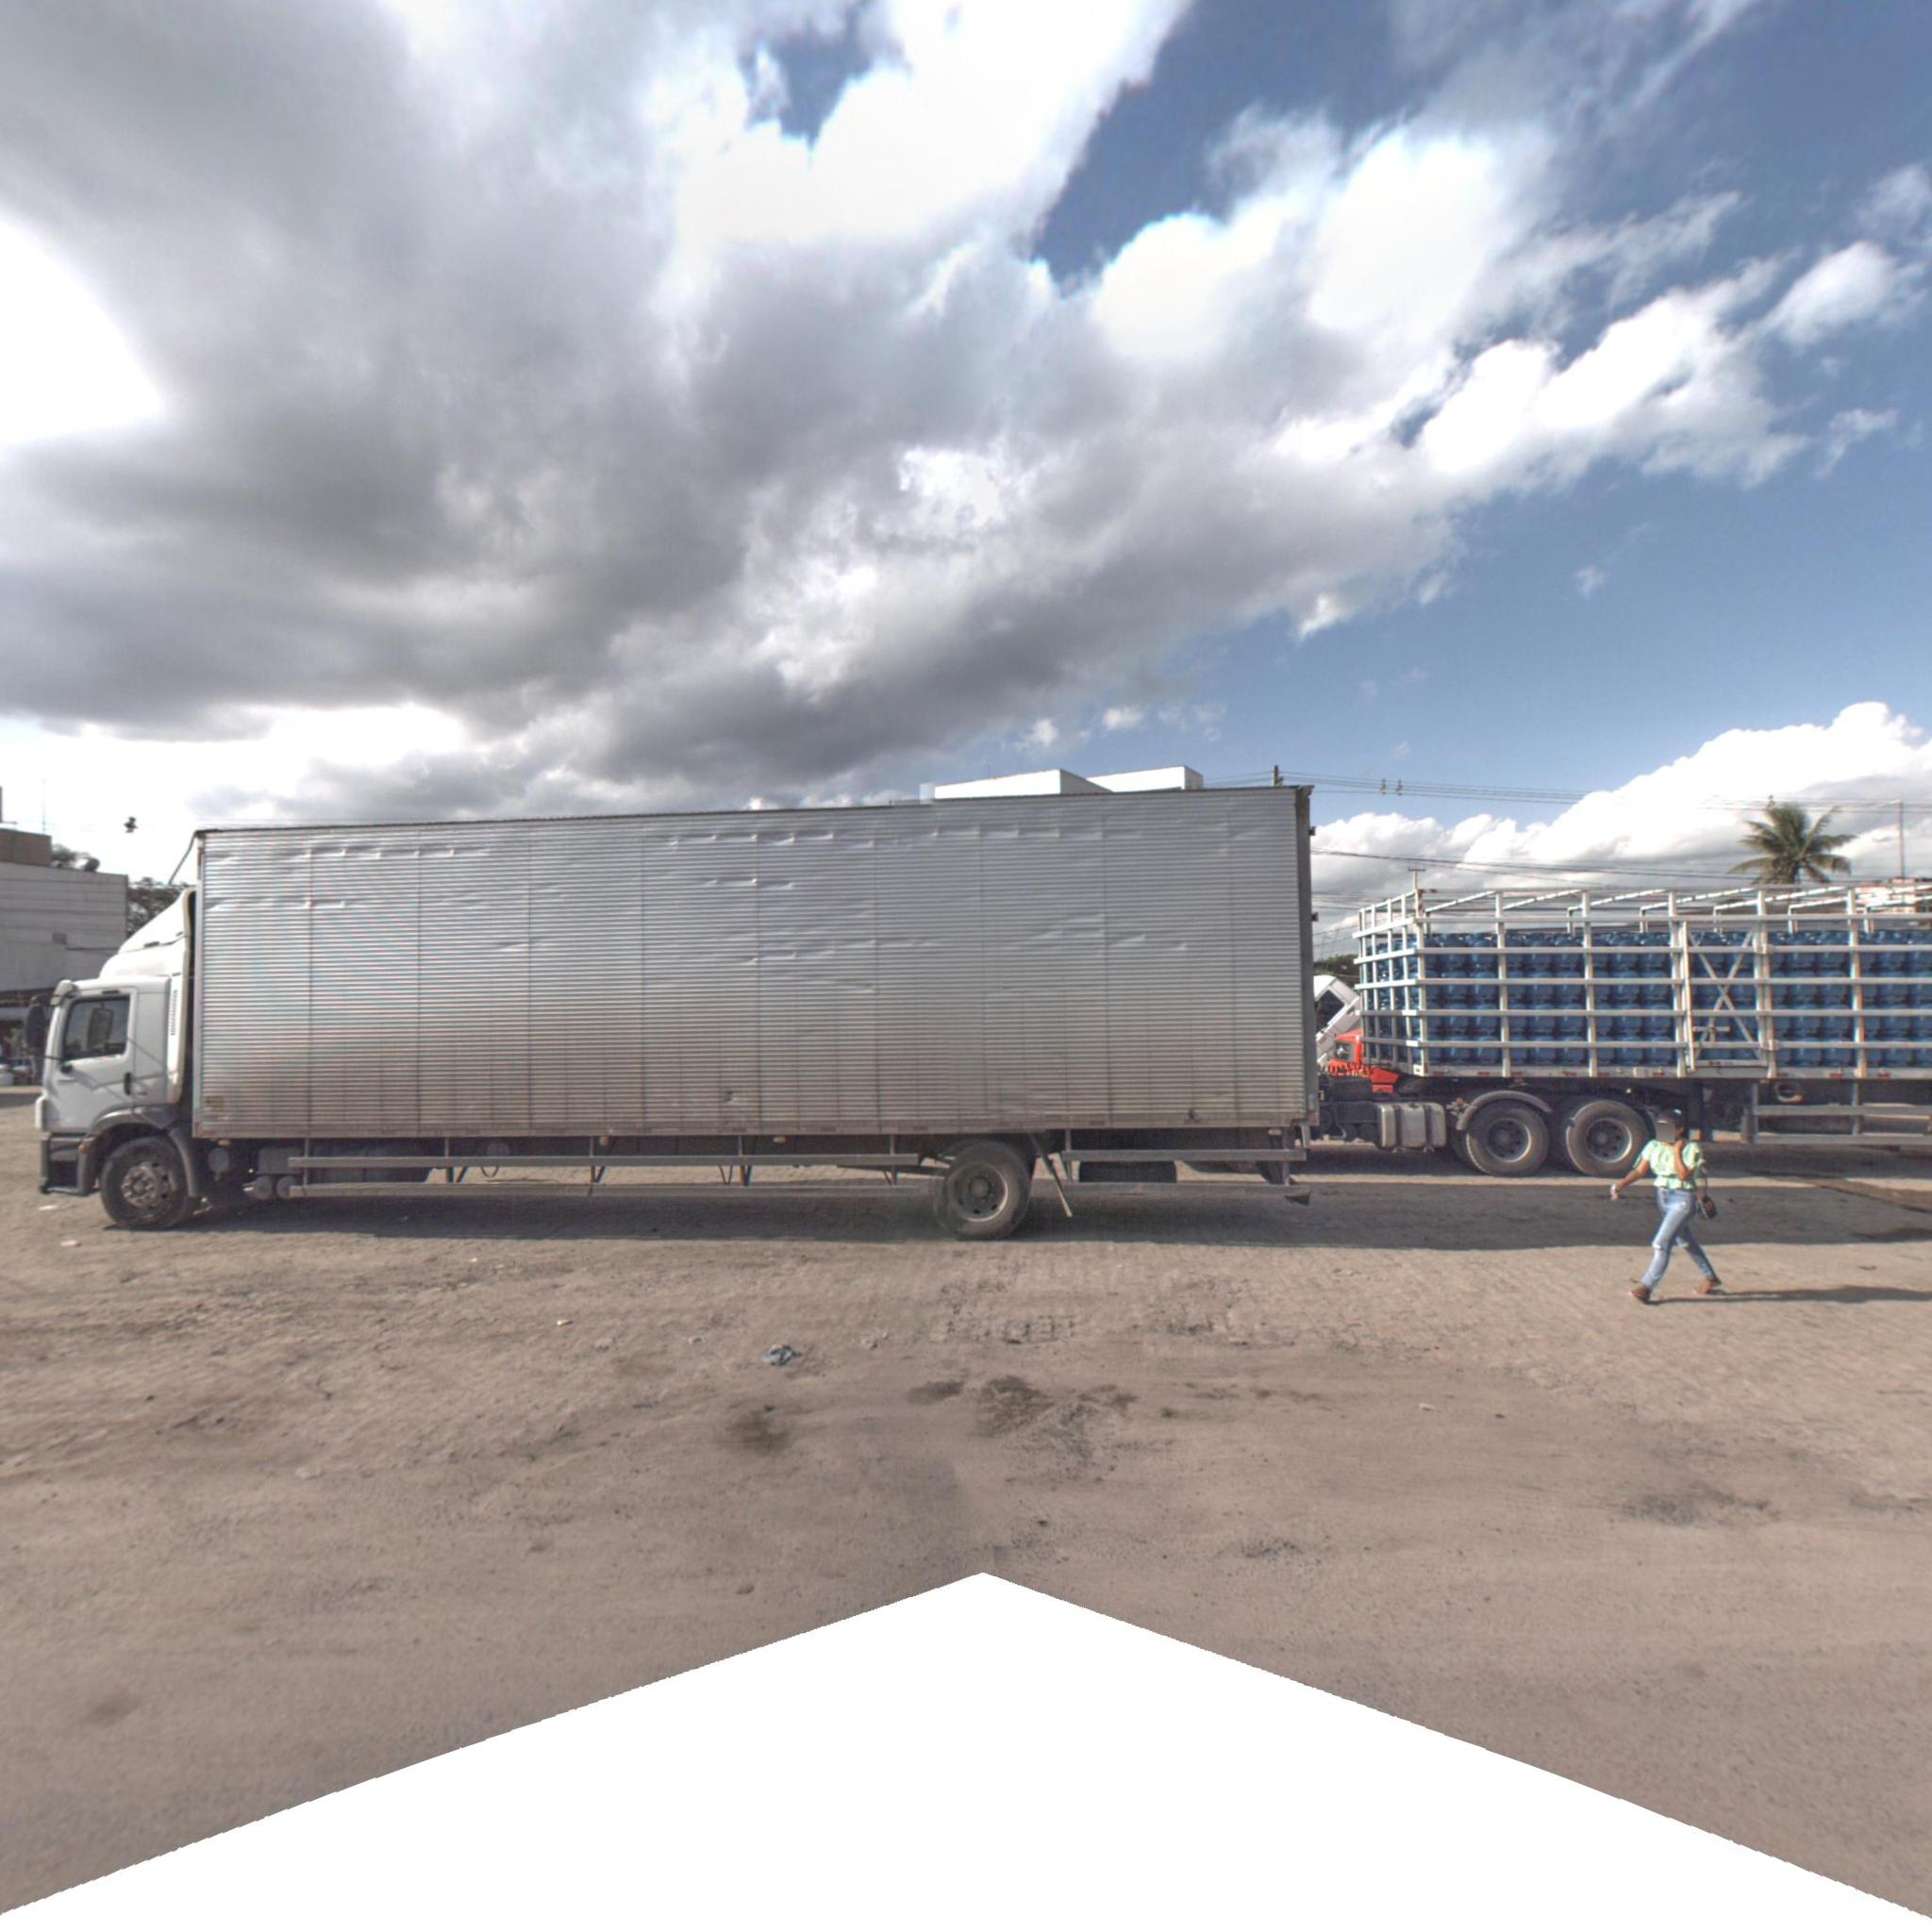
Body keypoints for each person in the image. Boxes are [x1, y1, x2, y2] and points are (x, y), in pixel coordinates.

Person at [1610, 1108, 1721, 1304]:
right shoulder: (1654, 1146)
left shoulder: (1691, 1148)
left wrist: (1677, 1152)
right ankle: (1711, 1277)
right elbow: (1640, 1170)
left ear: (1679, 1130)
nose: (1662, 1132)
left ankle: (1646, 1287)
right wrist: (1621, 1184)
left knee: (1661, 1243)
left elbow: (1684, 1175)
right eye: (1660, 1128)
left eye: (1667, 1128)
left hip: (1683, 1200)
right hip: (1663, 1198)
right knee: (1685, 1240)